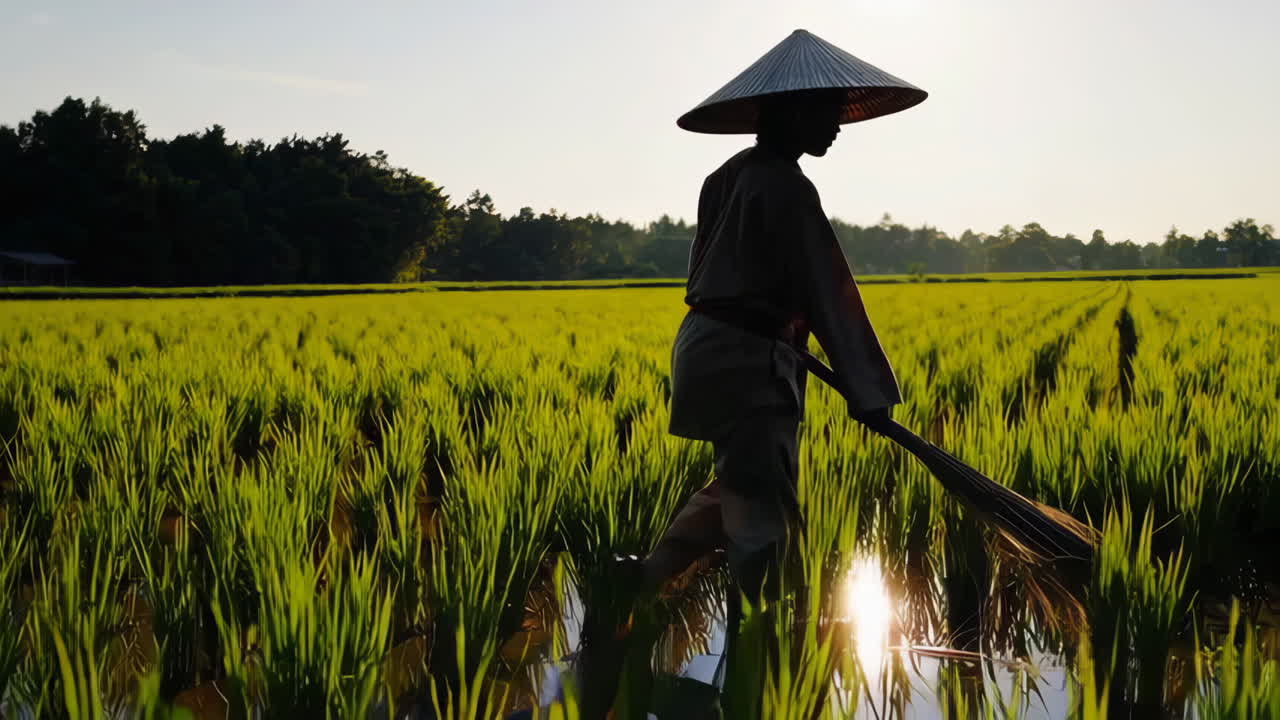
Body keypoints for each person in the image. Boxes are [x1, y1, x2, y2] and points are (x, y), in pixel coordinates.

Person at [572, 29, 928, 719]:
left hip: (707, 347)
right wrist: (870, 393)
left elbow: (714, 272)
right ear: (785, 113)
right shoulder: (788, 187)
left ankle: (640, 582)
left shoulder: (727, 175)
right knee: (764, 512)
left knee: (736, 481)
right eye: (823, 113)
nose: (834, 127)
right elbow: (830, 290)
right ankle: (765, 648)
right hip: (749, 361)